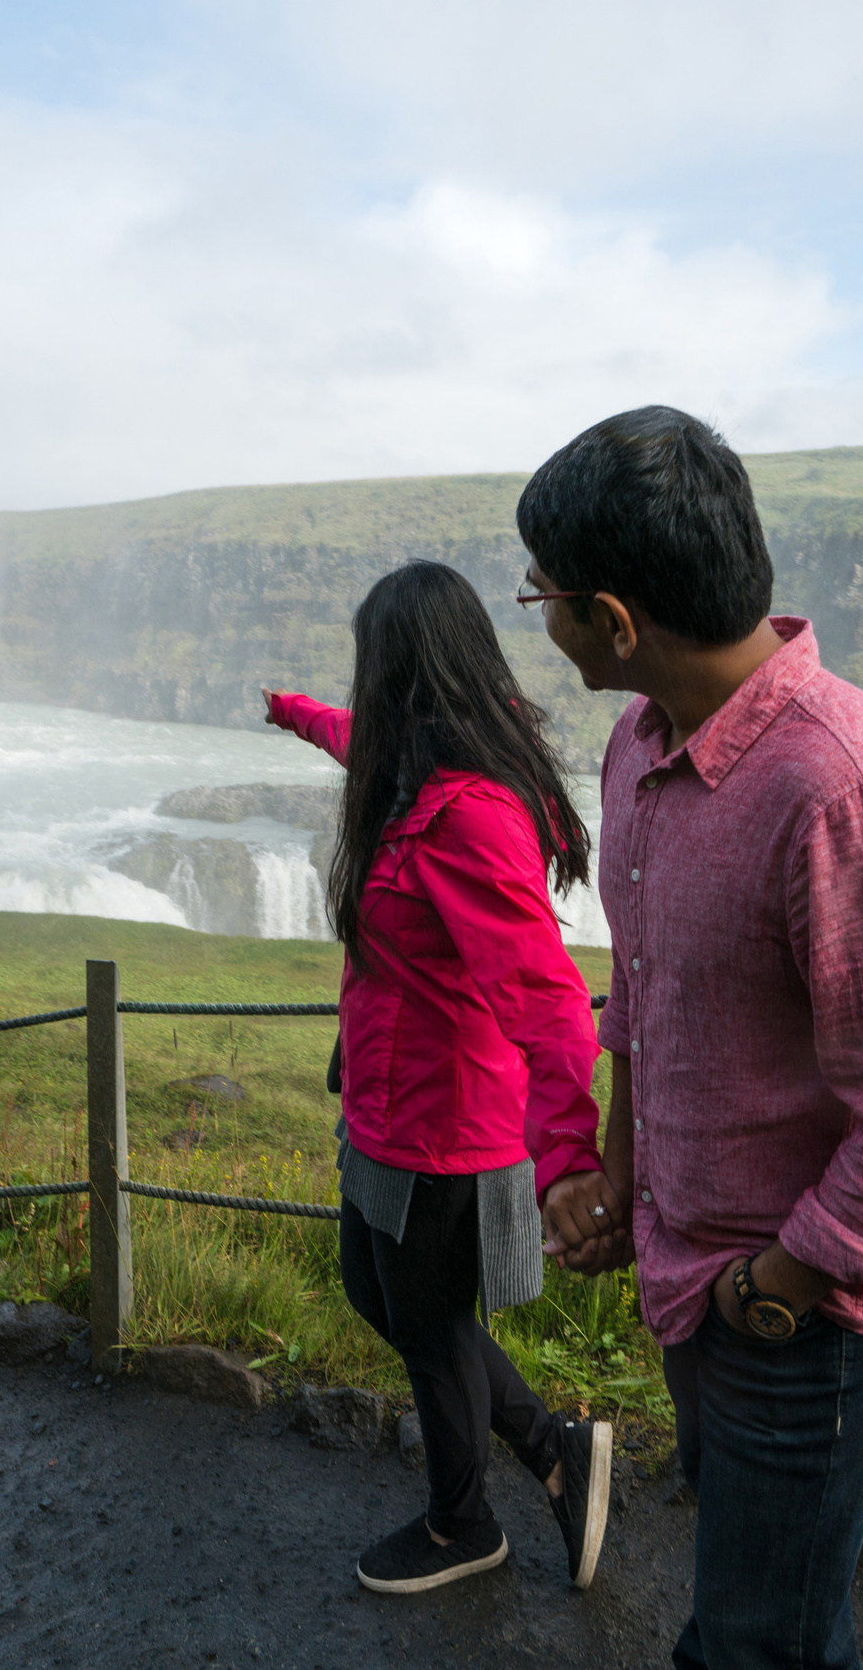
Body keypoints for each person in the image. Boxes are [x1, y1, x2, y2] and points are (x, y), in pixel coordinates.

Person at [520, 407, 863, 1670]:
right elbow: (647, 993)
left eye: (543, 596)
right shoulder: (641, 744)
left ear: (613, 620)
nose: (538, 616)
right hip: (698, 1282)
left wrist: (772, 1288)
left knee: (758, 1642)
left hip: (812, 1319)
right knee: (761, 1613)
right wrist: (621, 1180)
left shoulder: (855, 792)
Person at [263, 559, 617, 1597]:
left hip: (446, 1128)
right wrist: (289, 712)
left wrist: (569, 1154)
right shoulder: (413, 762)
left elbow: (546, 994)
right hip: (386, 1107)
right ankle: (553, 1448)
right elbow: (353, 738)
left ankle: (465, 1524)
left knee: (426, 1322)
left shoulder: (469, 812)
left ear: (399, 670)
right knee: (377, 1291)